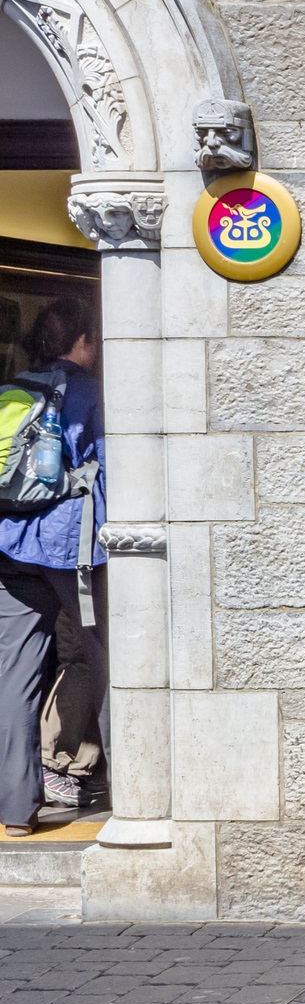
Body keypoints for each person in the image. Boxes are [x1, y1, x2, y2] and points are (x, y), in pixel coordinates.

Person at [0, 299, 107, 836]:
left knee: (14, 676)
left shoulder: (14, 390)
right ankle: (132, 798)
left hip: (11, 544)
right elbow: (111, 470)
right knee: (105, 658)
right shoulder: (90, 392)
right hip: (72, 548)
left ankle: (15, 810)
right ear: (84, 341)